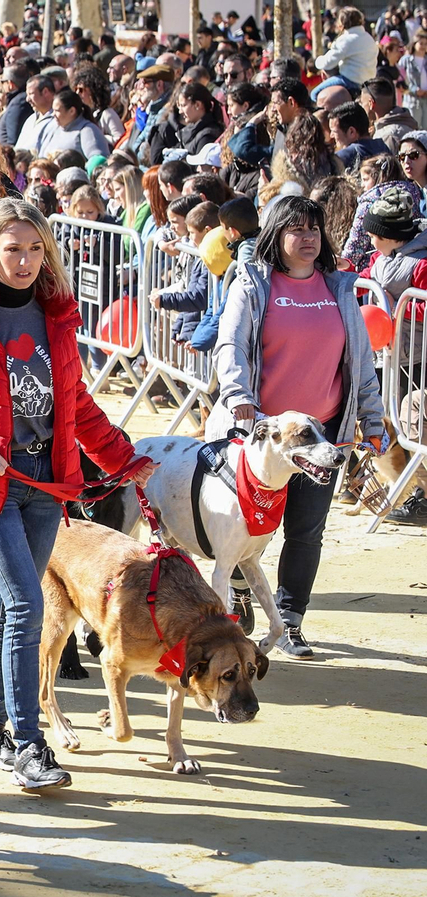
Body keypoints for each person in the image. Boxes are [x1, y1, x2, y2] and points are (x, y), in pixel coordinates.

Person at [0, 198, 155, 792]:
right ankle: (28, 743)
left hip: (49, 483)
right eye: (12, 249)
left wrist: (123, 460)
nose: (23, 261)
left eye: (34, 249)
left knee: (9, 603)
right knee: (25, 603)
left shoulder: (58, 314)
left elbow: (76, 403)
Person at [212, 196, 387, 659]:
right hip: (262, 438)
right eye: (296, 229)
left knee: (306, 531)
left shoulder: (339, 288)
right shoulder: (253, 284)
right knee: (244, 525)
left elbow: (361, 363)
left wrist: (371, 418)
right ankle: (240, 587)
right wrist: (238, 397)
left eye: (314, 228)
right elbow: (230, 345)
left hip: (322, 436)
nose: (308, 237)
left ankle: (290, 620)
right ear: (276, 234)